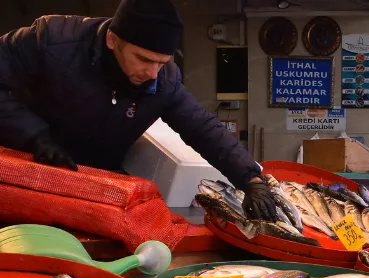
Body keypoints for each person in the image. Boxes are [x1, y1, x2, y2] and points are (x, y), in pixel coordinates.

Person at [0, 0, 278, 221]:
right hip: (23, 165)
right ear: (112, 39)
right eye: (144, 59)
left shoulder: (164, 81)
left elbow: (202, 127)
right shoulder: (51, 40)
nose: (152, 73)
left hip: (91, 182)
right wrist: (34, 136)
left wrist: (250, 179)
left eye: (161, 62)